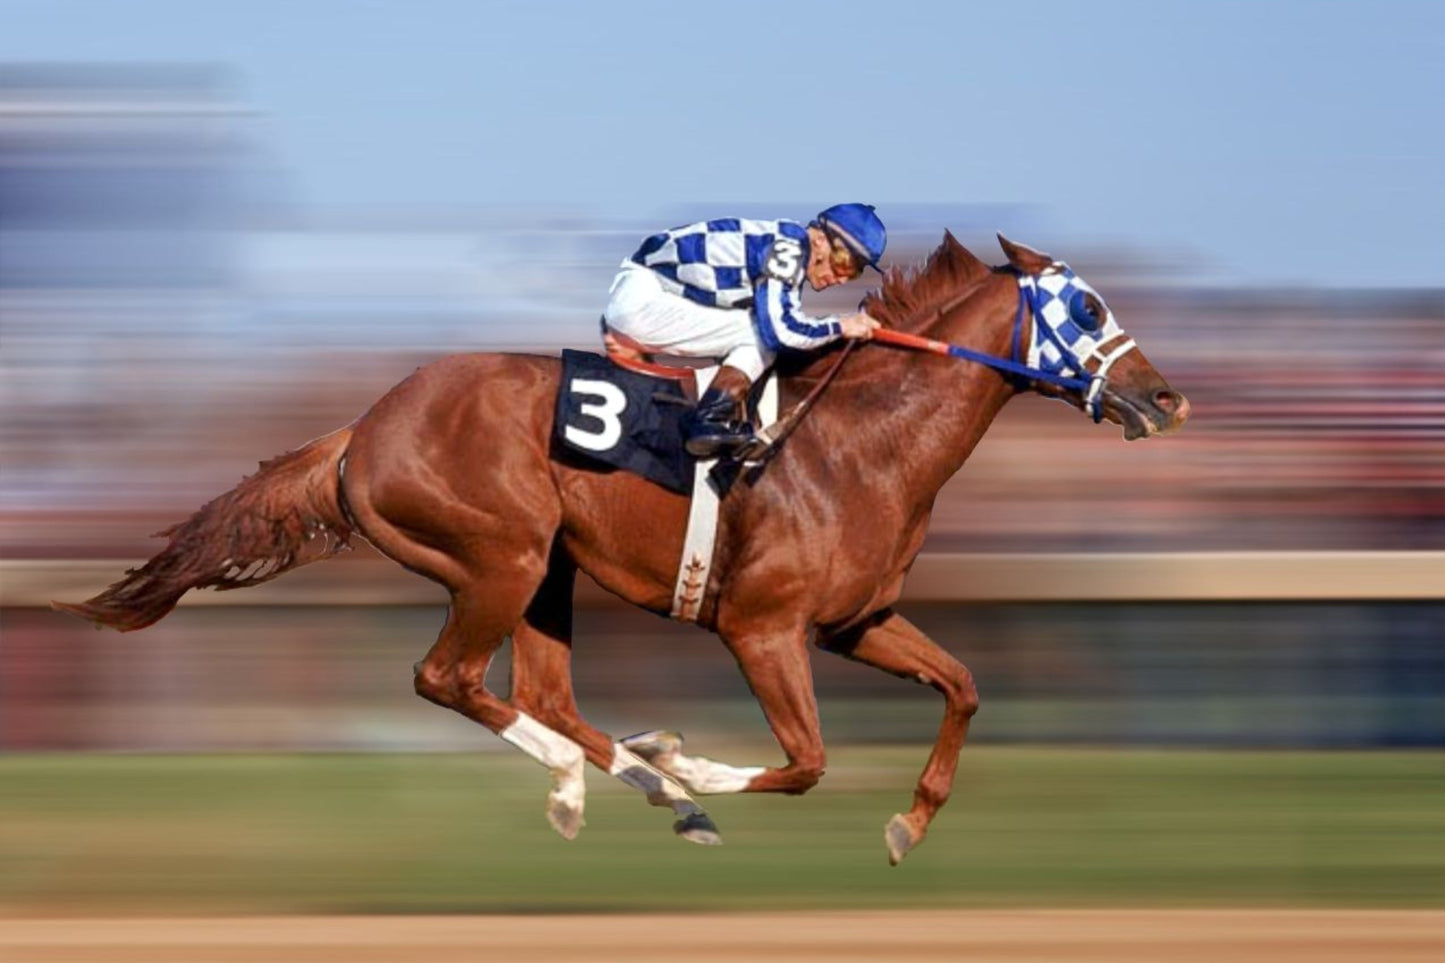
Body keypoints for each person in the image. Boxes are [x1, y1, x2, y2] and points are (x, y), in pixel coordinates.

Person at [601, 203, 886, 459]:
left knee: (756, 328)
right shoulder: (788, 248)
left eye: (855, 272)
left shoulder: (788, 247)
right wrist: (841, 325)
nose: (843, 277)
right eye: (844, 261)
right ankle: (708, 418)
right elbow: (781, 331)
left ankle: (719, 412)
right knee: (762, 335)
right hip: (641, 299)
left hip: (651, 294)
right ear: (820, 238)